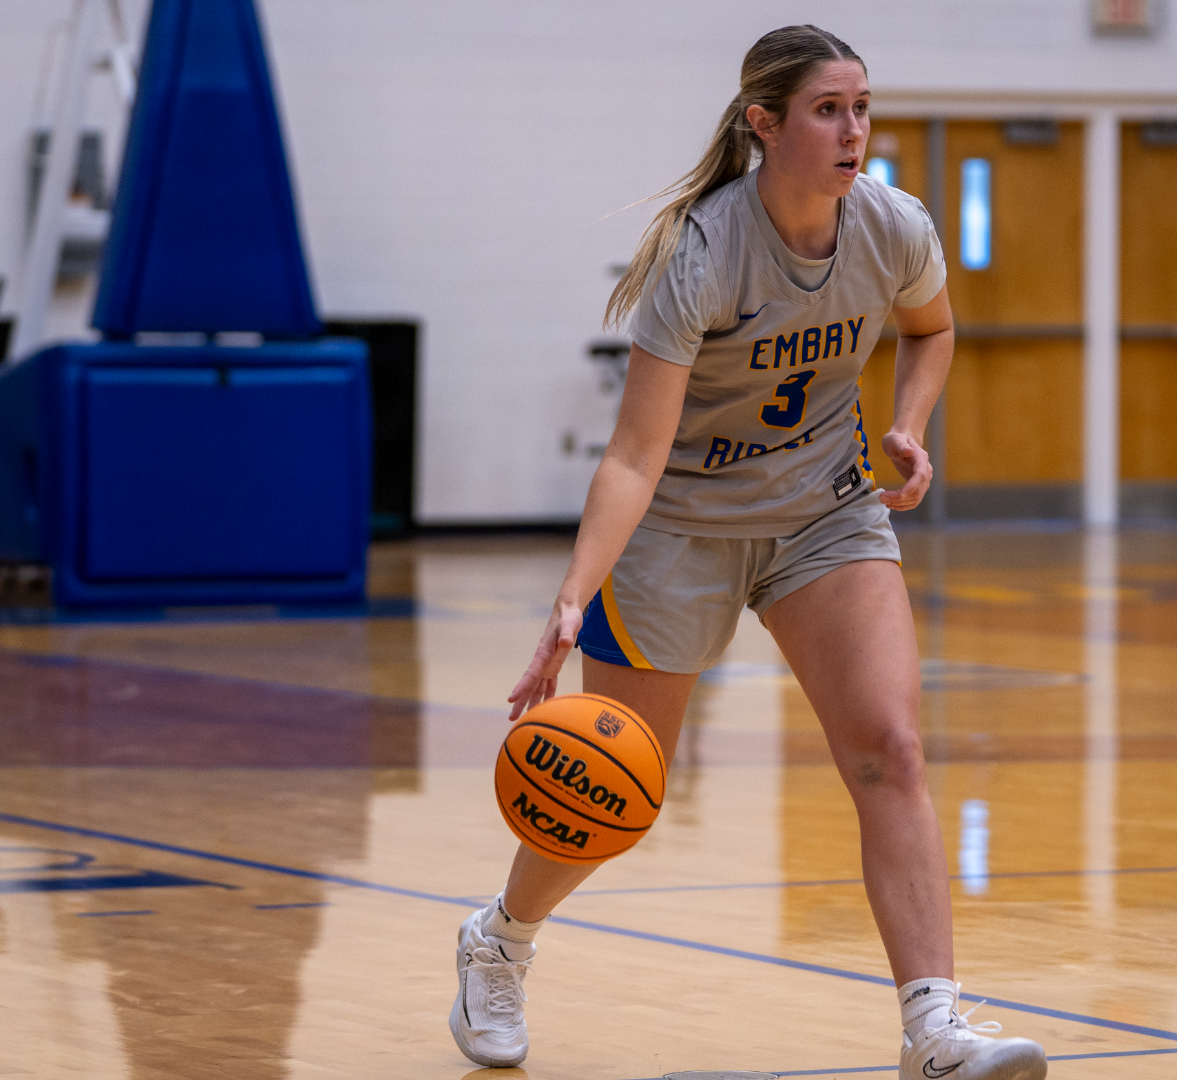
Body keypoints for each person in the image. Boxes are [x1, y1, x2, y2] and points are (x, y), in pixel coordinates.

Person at [449, 25, 1047, 1080]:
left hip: (824, 512)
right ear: (764, 124)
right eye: (828, 110)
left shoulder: (894, 226)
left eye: (863, 107)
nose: (854, 130)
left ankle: (934, 1028)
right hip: (678, 524)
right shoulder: (704, 252)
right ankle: (500, 938)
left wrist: (909, 426)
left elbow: (933, 328)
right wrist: (569, 601)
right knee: (613, 789)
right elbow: (634, 457)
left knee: (890, 750)